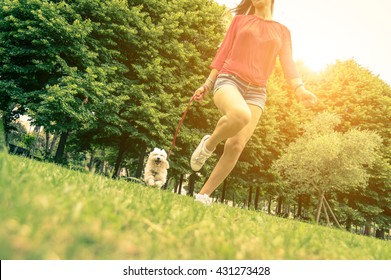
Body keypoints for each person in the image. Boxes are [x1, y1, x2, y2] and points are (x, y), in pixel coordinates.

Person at [191, 0, 318, 205]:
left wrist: (300, 88)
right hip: (229, 80)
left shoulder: (282, 31)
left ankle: (203, 195)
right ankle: (210, 144)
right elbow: (223, 52)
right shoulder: (240, 21)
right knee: (240, 115)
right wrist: (206, 84)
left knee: (236, 145)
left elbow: (288, 62)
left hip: (257, 92)